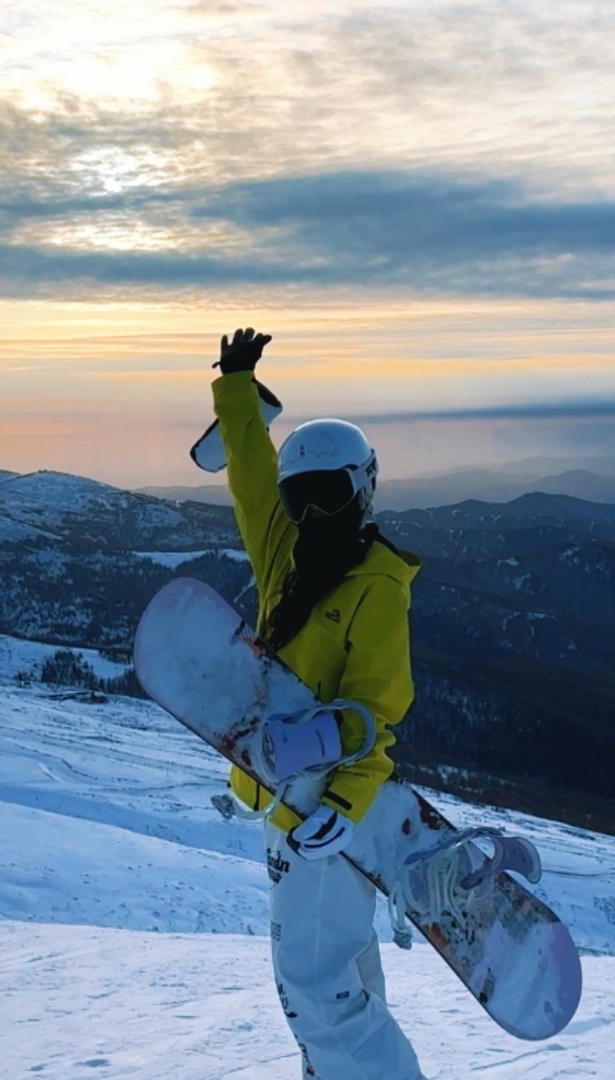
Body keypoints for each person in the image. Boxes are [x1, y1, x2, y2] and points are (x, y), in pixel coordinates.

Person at [211, 327, 427, 1080]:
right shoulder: (289, 562)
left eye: (328, 496)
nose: (311, 515)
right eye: (300, 499)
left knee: (312, 983)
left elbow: (379, 707)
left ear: (363, 492)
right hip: (291, 804)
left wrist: (346, 799)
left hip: (331, 811)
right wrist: (237, 384)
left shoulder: (377, 587)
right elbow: (247, 475)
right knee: (340, 966)